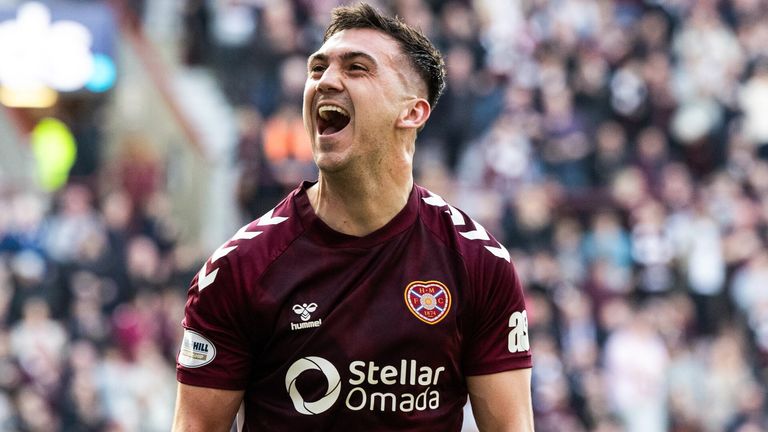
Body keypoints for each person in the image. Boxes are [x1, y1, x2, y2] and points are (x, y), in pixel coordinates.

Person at [172, 3, 533, 431]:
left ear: (412, 112)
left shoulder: (478, 264)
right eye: (318, 68)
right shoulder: (239, 268)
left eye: (357, 68)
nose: (326, 81)